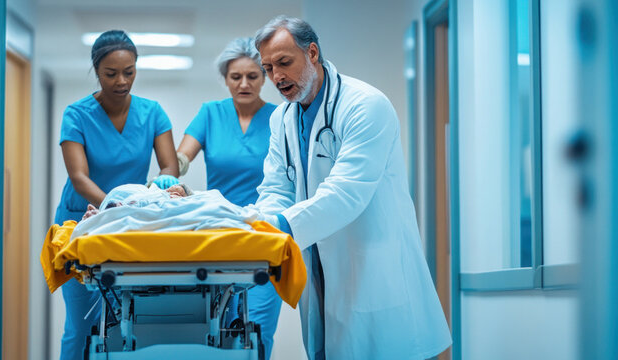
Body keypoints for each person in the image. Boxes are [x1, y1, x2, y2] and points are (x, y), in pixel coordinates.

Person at [249, 16, 452, 359]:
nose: (276, 77)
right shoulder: (281, 119)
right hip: (319, 269)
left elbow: (346, 192)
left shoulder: (365, 105)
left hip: (371, 266)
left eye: (284, 62)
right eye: (268, 68)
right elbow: (276, 188)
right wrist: (262, 224)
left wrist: (278, 226)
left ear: (312, 53)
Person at [53, 30, 180, 360]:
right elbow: (79, 177)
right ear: (97, 71)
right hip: (83, 222)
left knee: (125, 322)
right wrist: (112, 206)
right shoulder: (77, 115)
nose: (122, 81)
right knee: (82, 325)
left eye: (129, 72)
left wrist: (162, 185)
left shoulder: (152, 113)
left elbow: (169, 165)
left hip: (130, 224)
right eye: (111, 73)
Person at [175, 37, 282, 359]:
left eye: (253, 76)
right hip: (219, 232)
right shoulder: (210, 114)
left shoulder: (280, 117)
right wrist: (170, 172)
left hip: (264, 232)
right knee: (217, 327)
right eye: (236, 77)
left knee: (258, 329)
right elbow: (183, 156)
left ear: (264, 77)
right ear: (225, 79)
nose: (244, 84)